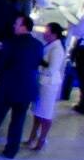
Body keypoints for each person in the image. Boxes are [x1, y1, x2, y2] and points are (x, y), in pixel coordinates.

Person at [0, 14, 45, 158]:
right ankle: (11, 150)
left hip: (7, 87)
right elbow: (36, 63)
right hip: (26, 88)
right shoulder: (38, 45)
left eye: (16, 24)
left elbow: (0, 66)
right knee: (18, 121)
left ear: (24, 27)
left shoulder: (10, 43)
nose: (14, 26)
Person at [27, 22, 67, 150]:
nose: (44, 33)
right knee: (38, 112)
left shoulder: (57, 49)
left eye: (47, 31)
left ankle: (41, 139)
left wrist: (38, 62)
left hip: (48, 85)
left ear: (54, 34)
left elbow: (52, 68)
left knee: (45, 114)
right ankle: (33, 136)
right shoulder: (50, 45)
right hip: (42, 83)